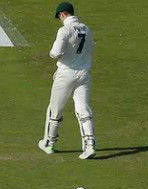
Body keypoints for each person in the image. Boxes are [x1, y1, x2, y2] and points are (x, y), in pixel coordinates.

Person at [38, 3, 96, 160]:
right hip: (83, 74)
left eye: (59, 16)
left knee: (54, 110)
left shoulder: (64, 30)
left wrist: (53, 54)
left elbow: (55, 53)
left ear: (63, 14)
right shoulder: (86, 29)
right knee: (83, 109)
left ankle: (49, 143)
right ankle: (89, 145)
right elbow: (90, 50)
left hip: (65, 75)